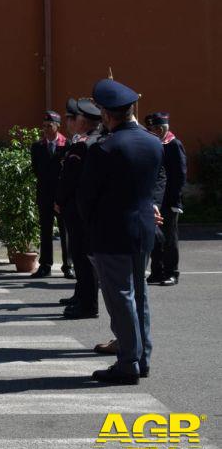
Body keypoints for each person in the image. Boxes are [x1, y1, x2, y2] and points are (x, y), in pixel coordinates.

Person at [78, 79, 165, 384]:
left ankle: (128, 363)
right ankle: (142, 358)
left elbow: (86, 198)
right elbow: (153, 185)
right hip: (143, 229)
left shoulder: (105, 148)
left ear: (106, 114)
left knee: (120, 298)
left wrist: (89, 229)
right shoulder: (153, 143)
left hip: (111, 232)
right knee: (139, 296)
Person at [56, 99, 103, 320]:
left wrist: (59, 200)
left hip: (77, 208)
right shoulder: (92, 140)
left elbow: (70, 179)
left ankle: (88, 304)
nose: (67, 122)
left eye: (70, 118)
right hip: (83, 208)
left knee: (83, 256)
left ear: (82, 121)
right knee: (81, 255)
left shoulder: (84, 144)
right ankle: (81, 296)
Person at [145, 112, 187, 286]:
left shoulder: (173, 144)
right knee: (156, 237)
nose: (151, 132)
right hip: (156, 199)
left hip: (169, 200)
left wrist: (175, 201)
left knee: (169, 238)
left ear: (161, 129)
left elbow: (180, 174)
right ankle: (157, 271)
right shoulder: (156, 144)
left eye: (153, 129)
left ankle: (171, 272)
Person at [30, 111, 69, 278]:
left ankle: (68, 265)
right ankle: (45, 265)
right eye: (44, 126)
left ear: (57, 126)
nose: (45, 129)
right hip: (45, 195)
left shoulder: (67, 145)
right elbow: (36, 170)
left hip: (62, 195)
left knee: (65, 230)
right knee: (45, 231)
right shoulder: (37, 146)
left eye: (49, 126)